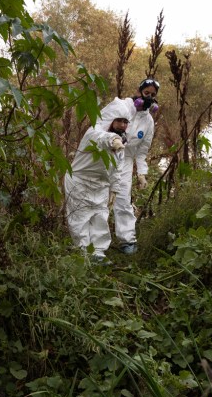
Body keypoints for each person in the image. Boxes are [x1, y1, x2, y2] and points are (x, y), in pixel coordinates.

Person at [63, 97, 133, 263]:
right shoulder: (93, 132)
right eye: (119, 121)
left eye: (125, 122)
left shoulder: (120, 141)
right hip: (80, 182)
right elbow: (101, 137)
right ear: (110, 119)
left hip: (101, 185)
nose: (123, 125)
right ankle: (83, 254)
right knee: (80, 219)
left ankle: (98, 254)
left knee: (100, 218)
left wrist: (114, 189)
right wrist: (113, 140)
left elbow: (118, 168)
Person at [113, 78, 160, 255]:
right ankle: (93, 243)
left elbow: (141, 152)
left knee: (123, 199)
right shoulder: (125, 107)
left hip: (126, 160)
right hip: (109, 156)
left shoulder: (149, 122)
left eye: (153, 95)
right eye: (146, 93)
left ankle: (127, 241)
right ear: (139, 92)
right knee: (101, 197)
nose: (149, 97)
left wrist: (142, 173)